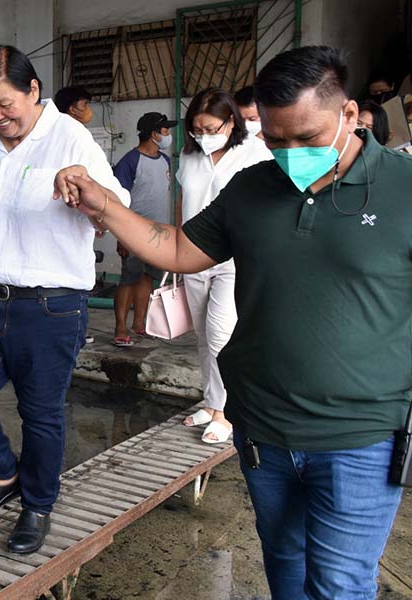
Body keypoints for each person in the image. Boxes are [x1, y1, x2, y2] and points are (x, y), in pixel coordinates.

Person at [54, 46, 410, 600]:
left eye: (307, 138)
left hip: (360, 438)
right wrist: (104, 206)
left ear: (348, 114)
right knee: (284, 563)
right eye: (275, 139)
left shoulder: (405, 189)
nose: (291, 153)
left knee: (339, 584)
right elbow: (174, 246)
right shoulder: (252, 189)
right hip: (264, 427)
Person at [0, 45, 129, 555]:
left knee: (41, 413)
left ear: (33, 91)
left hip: (50, 304)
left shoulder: (70, 137)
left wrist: (86, 188)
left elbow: (117, 206)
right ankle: (5, 476)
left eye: (6, 105)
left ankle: (39, 504)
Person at [172, 88, 272, 445]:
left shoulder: (254, 153)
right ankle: (212, 401)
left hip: (234, 257)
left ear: (231, 122)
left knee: (220, 334)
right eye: (196, 129)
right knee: (202, 335)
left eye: (210, 128)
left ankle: (227, 412)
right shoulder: (190, 155)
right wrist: (178, 241)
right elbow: (184, 199)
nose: (203, 135)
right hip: (194, 256)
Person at [109, 112, 175, 346]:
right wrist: (120, 235)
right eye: (165, 130)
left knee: (148, 277)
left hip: (159, 234)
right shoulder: (130, 161)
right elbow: (116, 200)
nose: (168, 135)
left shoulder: (166, 161)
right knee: (128, 278)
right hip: (132, 232)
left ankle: (139, 324)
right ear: (152, 133)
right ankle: (120, 327)